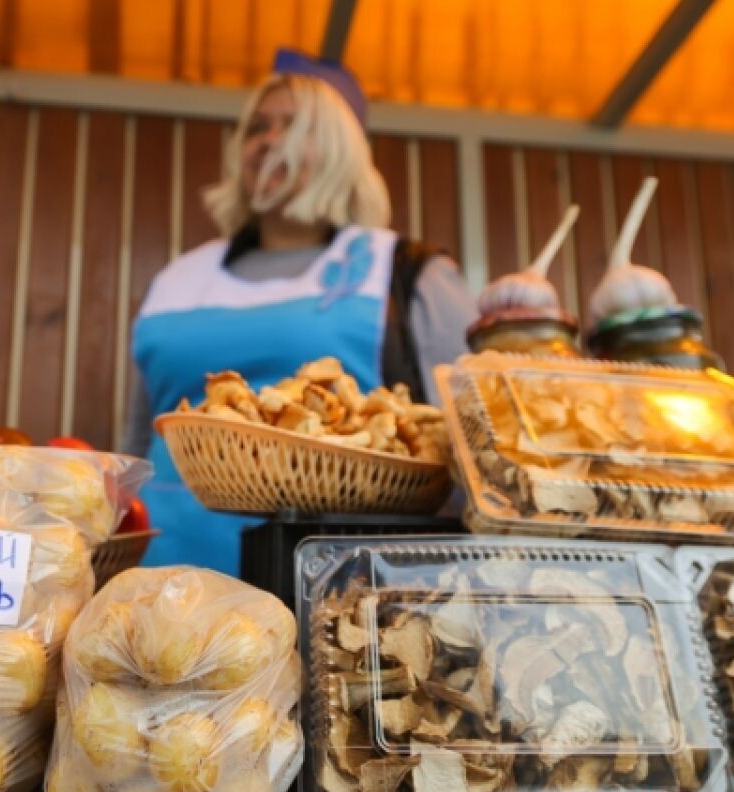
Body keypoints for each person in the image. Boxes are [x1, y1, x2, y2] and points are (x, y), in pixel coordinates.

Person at [123, 50, 478, 575]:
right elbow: (136, 440)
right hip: (167, 576)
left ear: (342, 149)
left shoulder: (403, 270)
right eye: (257, 128)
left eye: (295, 127)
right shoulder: (179, 280)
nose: (269, 140)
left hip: (338, 585)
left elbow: (471, 439)